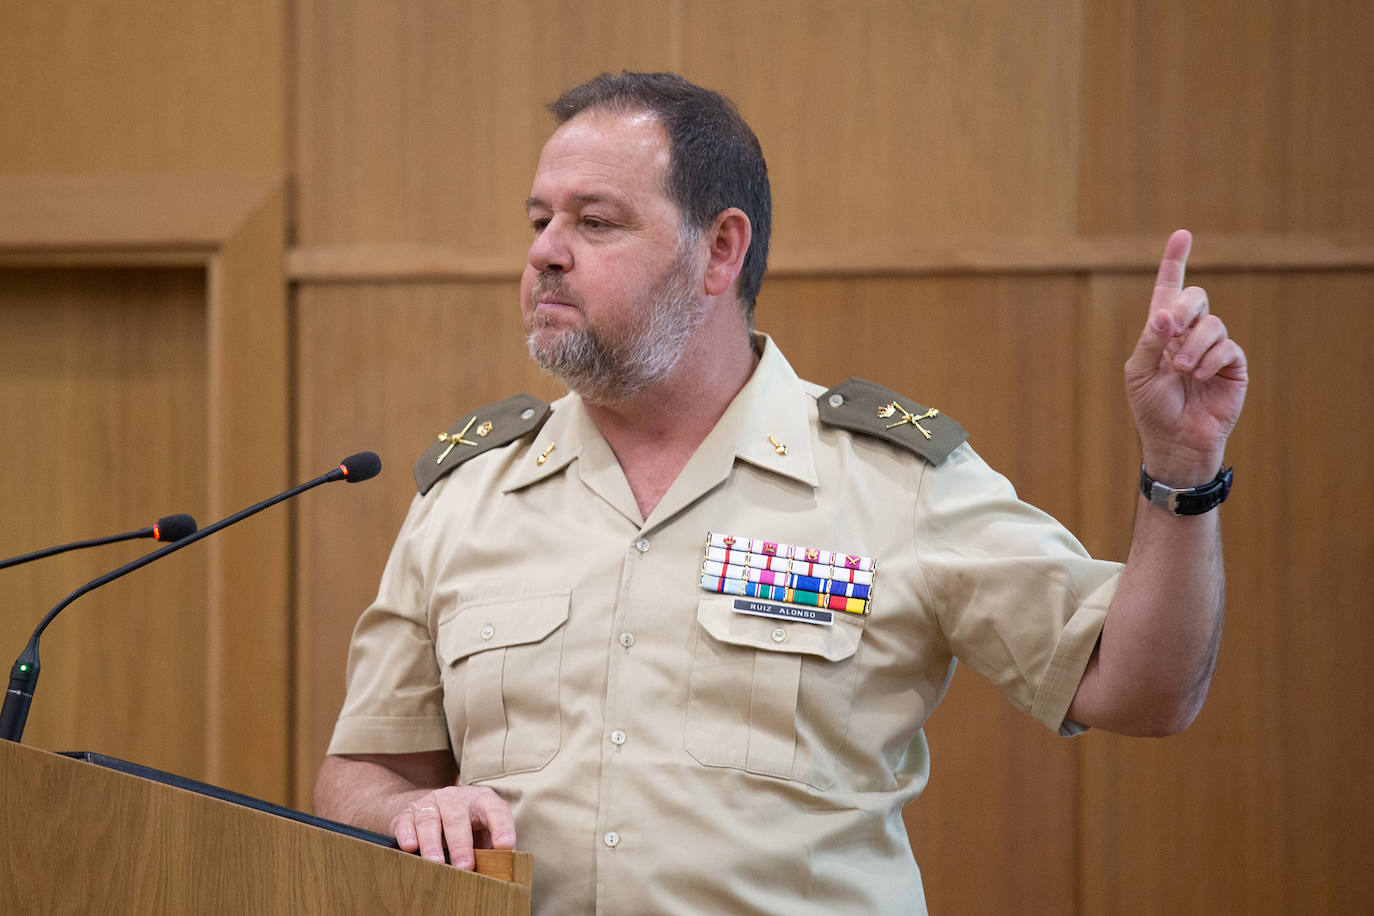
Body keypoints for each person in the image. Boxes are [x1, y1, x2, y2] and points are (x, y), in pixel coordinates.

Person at [315, 71, 1247, 914]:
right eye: (539, 221)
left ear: (720, 251)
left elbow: (1142, 688)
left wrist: (1182, 467)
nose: (546, 254)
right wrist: (409, 806)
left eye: (594, 223)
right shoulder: (468, 494)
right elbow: (363, 769)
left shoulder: (890, 480)